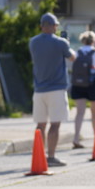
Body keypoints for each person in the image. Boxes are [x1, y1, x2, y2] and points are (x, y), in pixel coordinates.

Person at [29, 13, 75, 166]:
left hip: (39, 89)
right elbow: (72, 57)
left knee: (40, 125)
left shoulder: (33, 42)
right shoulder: (61, 43)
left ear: (42, 26)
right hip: (57, 88)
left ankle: (39, 156)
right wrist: (67, 44)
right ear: (54, 26)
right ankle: (51, 157)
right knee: (55, 124)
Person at [70, 30, 95, 149]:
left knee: (80, 112)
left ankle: (76, 138)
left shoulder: (77, 52)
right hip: (94, 83)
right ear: (94, 41)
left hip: (78, 84)